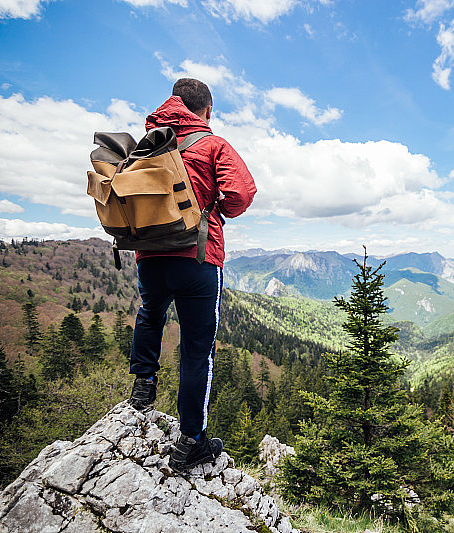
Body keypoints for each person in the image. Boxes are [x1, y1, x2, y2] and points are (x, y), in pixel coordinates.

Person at [127, 78, 257, 472]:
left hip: (150, 256)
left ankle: (143, 387)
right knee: (197, 350)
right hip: (198, 258)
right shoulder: (213, 145)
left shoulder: (147, 145)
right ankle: (191, 442)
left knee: (150, 314)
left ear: (173, 103)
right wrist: (214, 203)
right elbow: (242, 194)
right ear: (207, 111)